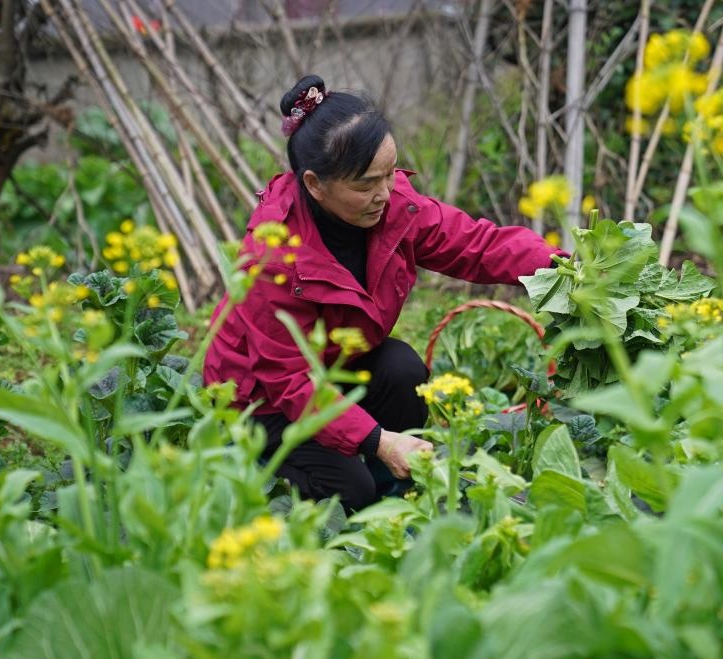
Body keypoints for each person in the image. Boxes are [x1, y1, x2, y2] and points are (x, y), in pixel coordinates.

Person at [203, 75, 563, 512]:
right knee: (347, 492)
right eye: (365, 184)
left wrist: (560, 267)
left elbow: (475, 245)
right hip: (260, 399)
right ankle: (265, 471)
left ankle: (390, 488)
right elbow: (290, 382)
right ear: (315, 185)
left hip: (335, 367)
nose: (384, 194)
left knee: (402, 370)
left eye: (390, 173)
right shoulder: (273, 258)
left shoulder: (396, 208)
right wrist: (378, 440)